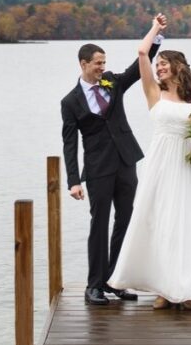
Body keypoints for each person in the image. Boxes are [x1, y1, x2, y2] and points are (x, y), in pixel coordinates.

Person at [107, 15, 191, 309]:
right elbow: (141, 53)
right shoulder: (153, 91)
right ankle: (163, 289)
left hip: (185, 165)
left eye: (164, 64)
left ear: (178, 67)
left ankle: (186, 289)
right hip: (160, 164)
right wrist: (155, 29)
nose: (159, 67)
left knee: (185, 223)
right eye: (157, 64)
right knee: (159, 221)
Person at [61, 18, 164, 306]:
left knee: (126, 220)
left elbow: (137, 68)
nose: (102, 67)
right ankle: (93, 285)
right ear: (83, 64)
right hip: (97, 170)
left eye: (104, 62)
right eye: (97, 63)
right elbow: (69, 144)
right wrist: (73, 181)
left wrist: (155, 35)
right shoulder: (70, 102)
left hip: (125, 161)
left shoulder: (113, 82)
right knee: (100, 223)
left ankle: (115, 281)